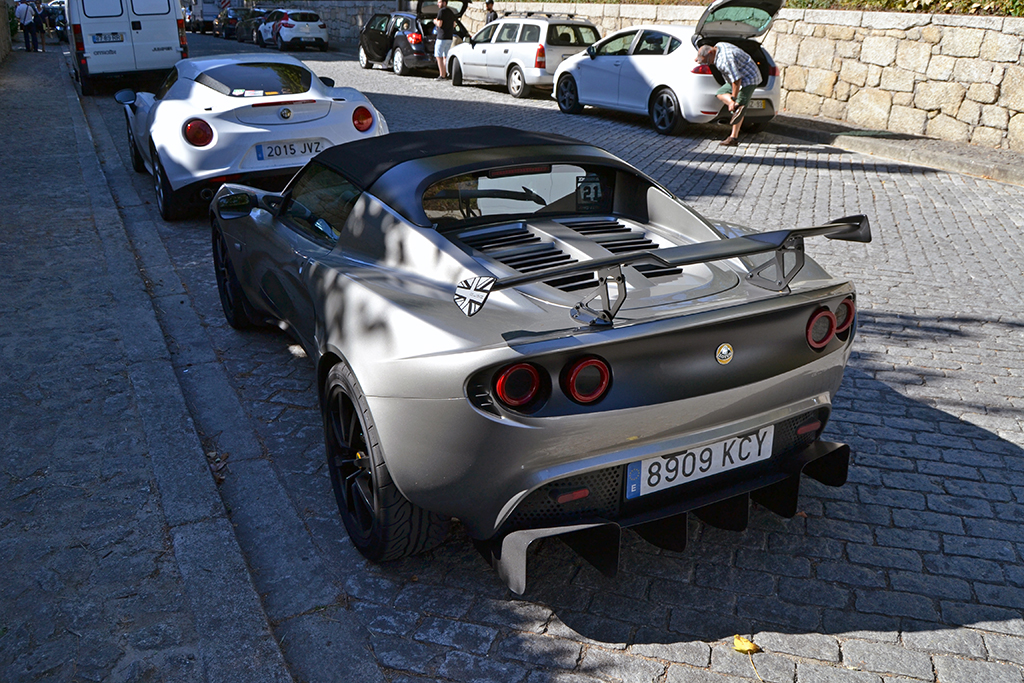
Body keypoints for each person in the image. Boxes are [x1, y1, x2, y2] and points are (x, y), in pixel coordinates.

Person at [695, 43, 761, 147]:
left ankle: (733, 138)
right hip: (737, 77)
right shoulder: (718, 46)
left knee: (739, 107)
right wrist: (699, 59)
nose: (709, 64)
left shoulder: (725, 60)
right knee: (720, 93)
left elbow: (737, 80)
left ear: (710, 52)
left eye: (707, 61)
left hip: (749, 78)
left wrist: (734, 99)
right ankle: (734, 106)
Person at [433, 0, 456, 80]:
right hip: (449, 37)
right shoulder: (451, 12)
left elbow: (440, 24)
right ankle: (445, 74)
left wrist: (435, 21)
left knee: (438, 56)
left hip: (441, 37)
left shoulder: (441, 11)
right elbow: (454, 24)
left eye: (439, 2)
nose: (437, 4)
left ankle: (442, 75)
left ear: (444, 2)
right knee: (445, 56)